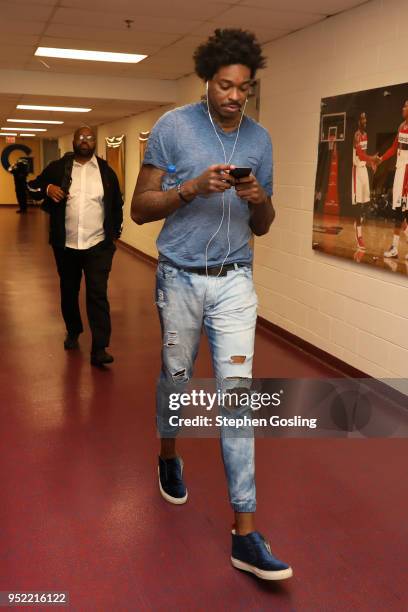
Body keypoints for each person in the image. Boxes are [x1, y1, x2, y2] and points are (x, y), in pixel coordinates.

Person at [131, 29, 292, 581]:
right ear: (208, 81)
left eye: (244, 89)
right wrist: (192, 188)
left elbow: (265, 227)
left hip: (235, 281)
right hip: (178, 277)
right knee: (177, 379)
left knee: (237, 399)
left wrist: (259, 199)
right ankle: (168, 454)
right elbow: (139, 208)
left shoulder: (261, 140)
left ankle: (244, 534)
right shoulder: (173, 128)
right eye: (226, 85)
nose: (234, 96)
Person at [28, 126, 123, 366]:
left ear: (95, 142)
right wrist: (47, 189)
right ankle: (73, 330)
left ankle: (100, 347)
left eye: (89, 137)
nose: (84, 141)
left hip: (97, 244)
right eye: (80, 137)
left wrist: (113, 234)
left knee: (97, 294)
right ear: (73, 141)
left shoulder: (105, 172)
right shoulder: (58, 167)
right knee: (69, 291)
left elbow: (115, 206)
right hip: (66, 245)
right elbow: (32, 186)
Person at [378, 100, 408, 259]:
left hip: (407, 174)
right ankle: (395, 248)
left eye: (406, 106)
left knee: (405, 212)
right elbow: (394, 148)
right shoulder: (401, 126)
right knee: (398, 212)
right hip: (400, 171)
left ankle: (395, 247)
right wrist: (380, 159)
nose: (403, 108)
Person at [352, 112, 378, 250]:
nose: (365, 120)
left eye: (365, 117)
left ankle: (357, 223)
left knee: (366, 202)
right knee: (358, 205)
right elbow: (360, 155)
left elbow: (364, 158)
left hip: (363, 170)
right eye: (362, 118)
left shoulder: (365, 135)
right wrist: (372, 159)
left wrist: (370, 164)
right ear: (358, 121)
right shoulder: (356, 135)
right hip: (356, 171)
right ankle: (359, 236)